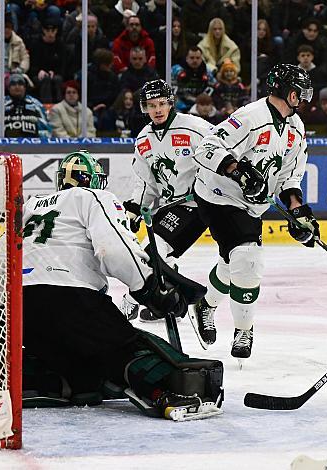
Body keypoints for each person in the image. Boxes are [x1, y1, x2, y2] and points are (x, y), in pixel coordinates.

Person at [22, 150, 224, 421]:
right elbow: (114, 250)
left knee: (73, 358)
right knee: (125, 348)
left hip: (18, 310)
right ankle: (166, 392)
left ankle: (51, 382)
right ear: (92, 179)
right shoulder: (93, 196)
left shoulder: (28, 207)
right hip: (71, 297)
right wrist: (149, 287)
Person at [190, 64, 317, 364]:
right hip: (217, 195)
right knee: (247, 258)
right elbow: (207, 146)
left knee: (231, 260)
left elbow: (289, 179)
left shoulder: (296, 130)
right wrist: (237, 171)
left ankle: (206, 305)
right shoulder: (250, 117)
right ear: (289, 92)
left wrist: (298, 212)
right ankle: (243, 329)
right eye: (300, 91)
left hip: (250, 205)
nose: (304, 97)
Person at [119, 80, 213, 323]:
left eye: (161, 104)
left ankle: (130, 302)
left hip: (196, 205)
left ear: (171, 103)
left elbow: (222, 150)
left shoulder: (193, 127)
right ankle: (169, 305)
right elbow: (145, 182)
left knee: (152, 252)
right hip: (168, 206)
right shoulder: (144, 139)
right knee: (150, 254)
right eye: (151, 105)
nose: (157, 110)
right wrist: (134, 211)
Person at [0, 74, 51, 138]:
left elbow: (46, 127)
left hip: (33, 145)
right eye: (13, 84)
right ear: (8, 88)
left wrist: (39, 140)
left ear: (25, 87)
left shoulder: (36, 104)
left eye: (20, 84)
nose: (17, 86)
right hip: (6, 145)